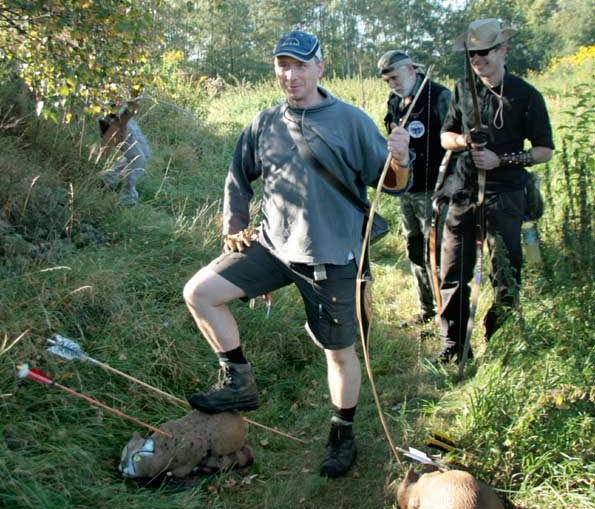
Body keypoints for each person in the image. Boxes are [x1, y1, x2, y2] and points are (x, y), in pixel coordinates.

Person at [183, 30, 412, 478]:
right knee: (200, 292)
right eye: (283, 66)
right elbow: (238, 175)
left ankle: (341, 435)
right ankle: (238, 381)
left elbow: (391, 183)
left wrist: (400, 159)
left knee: (340, 353)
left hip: (332, 256)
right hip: (271, 248)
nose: (291, 75)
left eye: (300, 65)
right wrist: (233, 225)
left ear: (319, 68)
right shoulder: (264, 122)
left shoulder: (351, 120)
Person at [437, 18, 554, 364]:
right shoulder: (461, 89)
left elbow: (544, 150)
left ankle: (499, 340)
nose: (477, 59)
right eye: (472, 54)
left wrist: (500, 160)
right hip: (462, 193)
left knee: (506, 270)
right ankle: (454, 344)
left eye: (483, 52)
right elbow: (446, 136)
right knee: (453, 269)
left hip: (505, 195)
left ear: (502, 49)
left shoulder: (526, 95)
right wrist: (462, 141)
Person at [378, 50, 452, 327]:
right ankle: (426, 308)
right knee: (414, 247)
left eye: (395, 77)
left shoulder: (439, 96)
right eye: (387, 81)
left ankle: (446, 311)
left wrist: (450, 183)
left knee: (437, 249)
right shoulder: (396, 101)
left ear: (411, 69)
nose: (393, 85)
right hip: (406, 187)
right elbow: (391, 125)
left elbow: (456, 141)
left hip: (434, 189)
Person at [99, 95, 150, 206]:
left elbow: (133, 101)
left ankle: (107, 178)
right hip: (114, 118)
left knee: (145, 154)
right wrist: (122, 127)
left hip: (124, 116)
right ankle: (127, 200)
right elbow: (130, 103)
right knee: (138, 160)